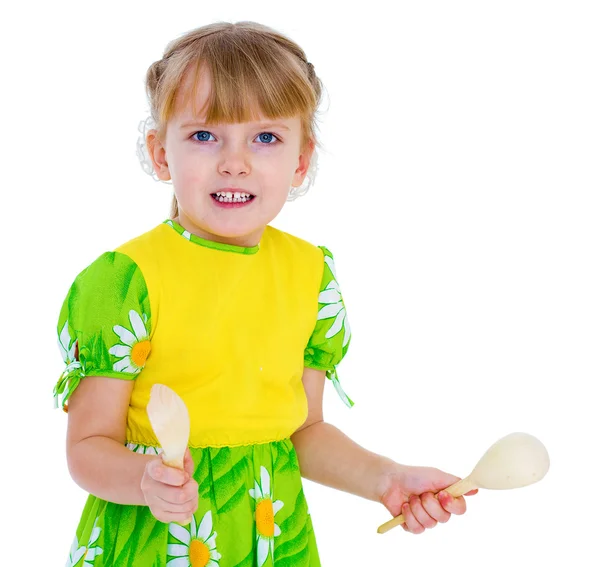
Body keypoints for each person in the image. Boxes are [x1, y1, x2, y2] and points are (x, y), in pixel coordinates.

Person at [54, 21, 476, 567]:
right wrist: (145, 481)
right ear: (161, 154)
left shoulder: (308, 275)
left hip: (274, 536)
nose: (235, 162)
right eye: (204, 135)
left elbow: (303, 431)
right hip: (159, 541)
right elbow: (86, 448)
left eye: (267, 137)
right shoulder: (126, 281)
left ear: (301, 160)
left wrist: (386, 478)